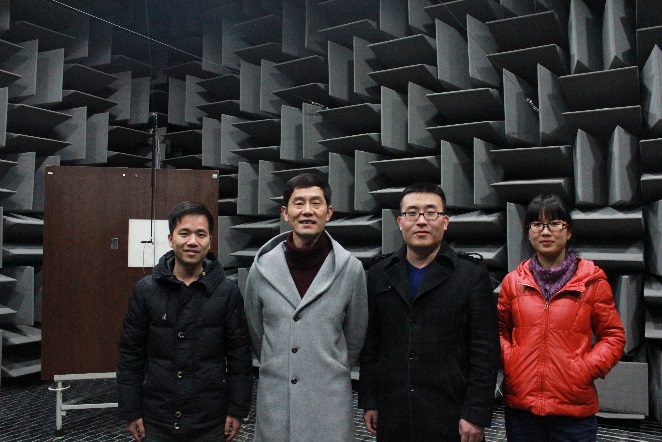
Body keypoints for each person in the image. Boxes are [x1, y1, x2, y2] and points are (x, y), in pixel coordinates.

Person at [358, 182, 500, 442]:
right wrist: (370, 399)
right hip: (393, 411)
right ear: (400, 222)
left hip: (451, 413)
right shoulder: (379, 274)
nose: (421, 221)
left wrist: (476, 413)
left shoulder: (471, 275)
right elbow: (372, 345)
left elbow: (485, 351)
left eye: (431, 212)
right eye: (412, 213)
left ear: (445, 222)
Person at [244, 173, 368, 442]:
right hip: (276, 402)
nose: (307, 211)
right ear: (285, 213)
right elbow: (256, 331)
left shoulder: (350, 270)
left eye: (316, 203)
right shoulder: (261, 269)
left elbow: (355, 336)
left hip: (330, 402)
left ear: (329, 212)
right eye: (299, 203)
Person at [117, 201, 253, 442]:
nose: (192, 241)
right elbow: (130, 355)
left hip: (210, 421)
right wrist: (131, 410)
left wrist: (237, 408)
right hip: (157, 419)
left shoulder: (227, 292)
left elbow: (239, 356)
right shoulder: (145, 291)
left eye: (201, 234)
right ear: (170, 239)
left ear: (210, 241)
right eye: (184, 233)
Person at [498, 193, 626, 441]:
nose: (545, 232)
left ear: (568, 231)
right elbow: (499, 331)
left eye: (555, 223)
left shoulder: (592, 282)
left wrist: (583, 369)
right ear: (528, 232)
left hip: (573, 414)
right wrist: (512, 362)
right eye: (537, 224)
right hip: (522, 412)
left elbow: (613, 336)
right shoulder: (512, 283)